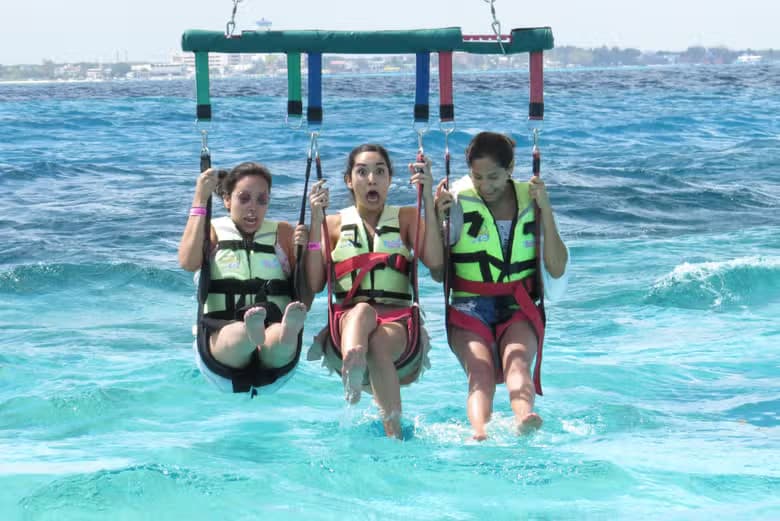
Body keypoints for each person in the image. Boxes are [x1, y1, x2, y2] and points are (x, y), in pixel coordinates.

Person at [433, 131, 569, 440]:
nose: (485, 185)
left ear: (510, 170)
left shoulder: (531, 200)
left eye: (494, 177)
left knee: (517, 360)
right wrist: (434, 213)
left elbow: (557, 267)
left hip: (517, 305)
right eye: (477, 177)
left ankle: (524, 417)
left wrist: (545, 208)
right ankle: (480, 431)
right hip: (469, 305)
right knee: (479, 372)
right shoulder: (456, 202)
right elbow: (438, 272)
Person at [304, 144, 443, 438]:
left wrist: (427, 195)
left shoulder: (406, 218)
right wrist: (315, 218)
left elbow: (435, 261)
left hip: (398, 325)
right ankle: (353, 360)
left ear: (390, 179)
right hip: (345, 323)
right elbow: (315, 284)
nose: (371, 179)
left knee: (378, 343)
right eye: (362, 171)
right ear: (348, 180)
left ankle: (394, 432)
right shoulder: (332, 223)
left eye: (380, 171)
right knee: (362, 311)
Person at [178, 162, 311, 395]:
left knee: (278, 336)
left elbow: (305, 298)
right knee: (238, 333)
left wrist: (306, 251)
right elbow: (188, 262)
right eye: (244, 198)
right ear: (227, 200)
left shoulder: (283, 234)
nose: (253, 208)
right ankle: (252, 333)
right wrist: (200, 199)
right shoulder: (212, 231)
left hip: (275, 339)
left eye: (262, 200)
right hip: (222, 340)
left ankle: (283, 333)